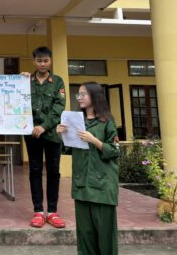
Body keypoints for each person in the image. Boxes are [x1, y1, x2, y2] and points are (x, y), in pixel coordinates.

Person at [57, 82, 120, 255]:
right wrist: (61, 135)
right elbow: (67, 149)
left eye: (83, 94)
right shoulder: (77, 122)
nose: (79, 97)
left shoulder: (107, 122)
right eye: (78, 94)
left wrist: (94, 140)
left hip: (102, 186)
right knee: (85, 234)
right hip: (82, 184)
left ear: (95, 96)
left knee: (105, 235)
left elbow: (115, 151)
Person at [21, 46, 66, 229]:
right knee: (35, 170)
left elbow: (59, 107)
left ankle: (52, 212)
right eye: (39, 60)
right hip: (32, 134)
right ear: (33, 62)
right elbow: (17, 101)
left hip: (52, 134)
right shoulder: (25, 81)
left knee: (53, 171)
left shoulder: (58, 81)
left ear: (50, 61)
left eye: (45, 60)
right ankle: (38, 211)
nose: (42, 64)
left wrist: (44, 126)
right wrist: (19, 80)